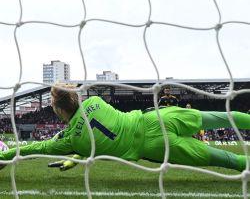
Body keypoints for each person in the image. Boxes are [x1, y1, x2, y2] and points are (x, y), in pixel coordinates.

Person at [0, 84, 249, 172]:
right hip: (157, 118)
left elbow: (33, 147)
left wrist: (4, 156)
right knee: (224, 117)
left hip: (154, 146)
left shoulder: (68, 143)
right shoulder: (95, 102)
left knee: (227, 161)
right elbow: (93, 128)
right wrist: (77, 157)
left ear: (57, 109)